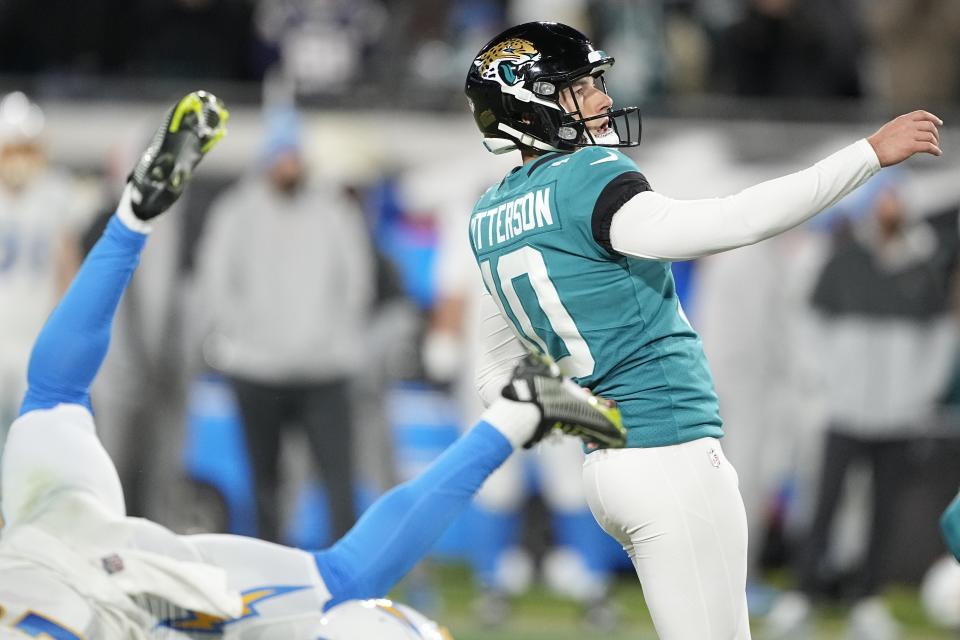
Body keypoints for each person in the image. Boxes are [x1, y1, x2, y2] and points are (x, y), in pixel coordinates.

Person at [0, 91, 626, 638]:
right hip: (98, 557)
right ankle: (132, 216)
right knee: (56, 395)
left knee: (333, 540)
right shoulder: (250, 212)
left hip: (112, 579)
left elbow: (357, 288)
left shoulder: (335, 213)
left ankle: (518, 418)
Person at [463, 21, 942, 639]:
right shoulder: (586, 179)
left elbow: (494, 379)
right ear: (527, 105)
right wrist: (867, 155)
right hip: (670, 459)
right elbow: (731, 222)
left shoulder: (489, 216)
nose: (602, 99)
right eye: (578, 88)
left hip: (610, 468)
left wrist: (596, 421)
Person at [195, 105, 374, 544]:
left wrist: (331, 337)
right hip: (257, 369)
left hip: (324, 368)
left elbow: (356, 280)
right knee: (264, 481)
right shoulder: (236, 211)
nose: (288, 165)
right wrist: (244, 336)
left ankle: (347, 569)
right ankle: (271, 567)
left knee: (338, 479)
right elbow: (215, 282)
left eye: (294, 156)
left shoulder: (333, 209)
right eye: (281, 156)